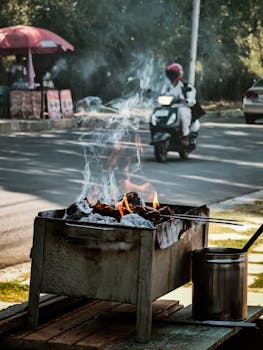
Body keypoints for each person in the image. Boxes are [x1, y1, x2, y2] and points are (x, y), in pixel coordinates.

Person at [165, 62, 200, 145]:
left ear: (178, 74)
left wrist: (186, 101)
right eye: (170, 74)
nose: (171, 76)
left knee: (181, 111)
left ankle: (185, 135)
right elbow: (161, 95)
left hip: (184, 108)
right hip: (170, 109)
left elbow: (192, 99)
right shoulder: (166, 86)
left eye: (173, 74)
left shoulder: (186, 85)